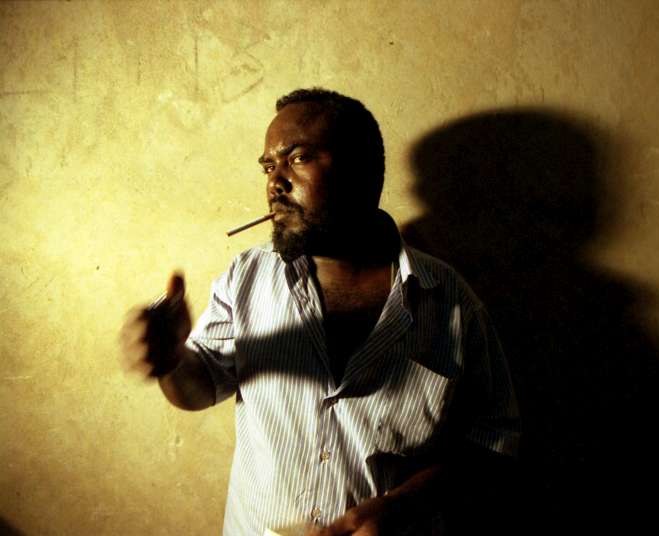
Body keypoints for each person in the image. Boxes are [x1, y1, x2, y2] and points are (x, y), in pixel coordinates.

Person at [119, 88, 520, 536]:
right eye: (269, 166)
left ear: (364, 171)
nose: (275, 182)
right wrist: (171, 360)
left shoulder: (449, 301)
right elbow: (197, 390)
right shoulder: (246, 277)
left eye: (298, 158)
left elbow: (492, 442)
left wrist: (406, 505)